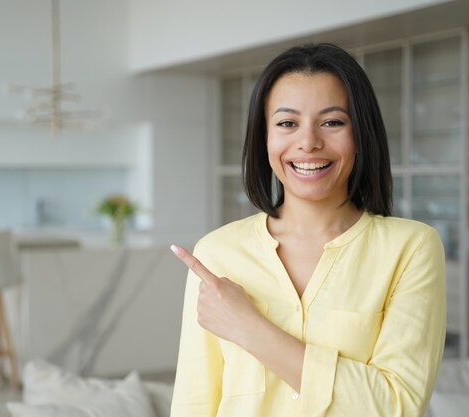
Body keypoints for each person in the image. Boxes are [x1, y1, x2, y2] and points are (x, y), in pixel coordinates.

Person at [169, 43, 446, 417]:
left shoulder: (411, 248)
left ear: (361, 134)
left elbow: (396, 406)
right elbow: (194, 405)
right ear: (263, 137)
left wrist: (249, 328)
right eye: (287, 123)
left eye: (332, 122)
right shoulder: (218, 253)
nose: (308, 142)